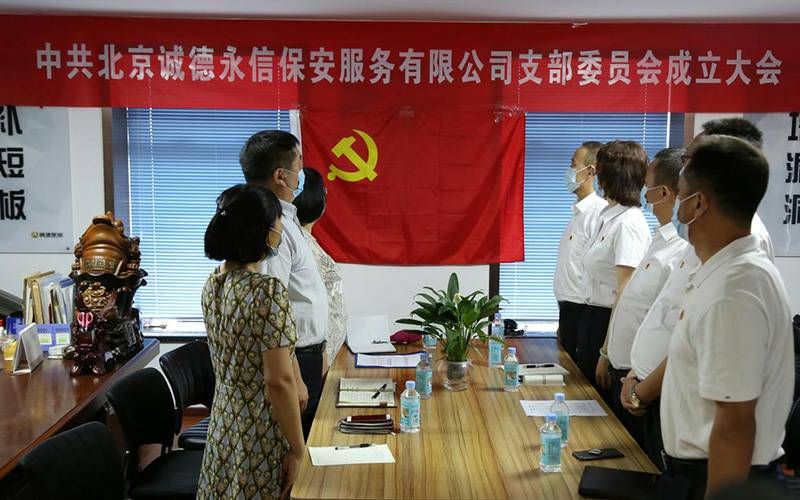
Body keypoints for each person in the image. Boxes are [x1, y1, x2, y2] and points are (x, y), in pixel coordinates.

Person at [621, 117, 777, 467]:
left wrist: (642, 390)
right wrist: (635, 373)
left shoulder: (744, 243)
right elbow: (669, 314)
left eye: (690, 158)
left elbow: (702, 345)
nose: (682, 170)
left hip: (683, 411)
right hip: (656, 394)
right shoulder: (702, 233)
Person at [657, 135, 793, 499]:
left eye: (680, 193)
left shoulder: (734, 289)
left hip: (717, 478)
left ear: (699, 203)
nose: (676, 204)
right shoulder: (724, 270)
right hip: (700, 471)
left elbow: (734, 424)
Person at [199, 184, 305, 500]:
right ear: (262, 232)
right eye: (278, 224)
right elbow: (278, 381)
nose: (280, 231)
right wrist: (298, 450)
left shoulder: (213, 283)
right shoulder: (266, 291)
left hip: (223, 423)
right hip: (261, 428)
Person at [240, 130, 329, 440]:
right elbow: (270, 312)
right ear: (281, 175)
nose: (302, 172)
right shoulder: (271, 224)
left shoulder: (288, 219)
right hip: (292, 360)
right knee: (295, 452)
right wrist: (294, 375)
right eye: (299, 164)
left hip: (306, 356)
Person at [599, 148, 688, 446]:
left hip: (647, 387)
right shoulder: (659, 240)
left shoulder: (682, 249)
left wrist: (640, 383)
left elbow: (674, 329)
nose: (643, 194)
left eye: (647, 186)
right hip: (630, 375)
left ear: (663, 193)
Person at [577, 140, 652, 399]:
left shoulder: (628, 224)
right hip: (592, 317)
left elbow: (624, 291)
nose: (595, 176)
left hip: (608, 323)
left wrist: (606, 351)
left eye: (599, 170)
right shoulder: (607, 217)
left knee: (599, 405)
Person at [554, 141, 606, 361]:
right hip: (569, 311)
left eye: (573, 164)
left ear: (590, 171)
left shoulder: (599, 214)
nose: (569, 170)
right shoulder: (578, 213)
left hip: (585, 313)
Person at [292, 167, 347, 375]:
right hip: (310, 355)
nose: (325, 196)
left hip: (321, 354)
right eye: (323, 192)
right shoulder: (298, 244)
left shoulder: (306, 240)